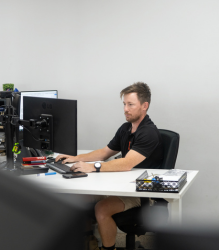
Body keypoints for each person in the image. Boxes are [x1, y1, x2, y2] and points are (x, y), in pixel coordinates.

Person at [55, 82, 164, 250]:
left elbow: (127, 164)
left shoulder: (149, 133)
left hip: (141, 191)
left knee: (102, 208)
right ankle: (87, 242)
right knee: (79, 198)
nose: (125, 109)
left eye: (130, 104)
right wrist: (74, 158)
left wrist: (93, 167)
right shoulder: (126, 128)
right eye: (124, 104)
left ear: (144, 106)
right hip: (120, 185)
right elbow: (104, 152)